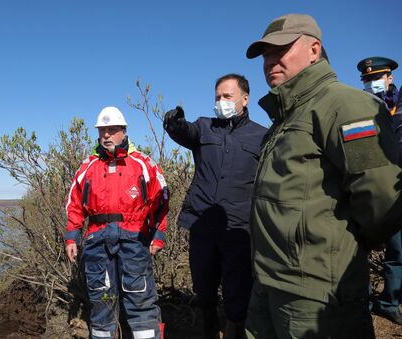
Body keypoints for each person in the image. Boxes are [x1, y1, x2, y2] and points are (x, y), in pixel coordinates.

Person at [244, 13, 402, 338]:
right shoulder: (286, 117)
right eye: (266, 54)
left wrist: (339, 247)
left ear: (314, 50)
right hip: (271, 283)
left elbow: (382, 200)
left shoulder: (344, 106)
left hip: (316, 296)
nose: (270, 61)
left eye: (281, 50)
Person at [163, 74, 267, 339]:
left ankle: (234, 330)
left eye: (227, 96)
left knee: (238, 291)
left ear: (245, 98)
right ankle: (209, 331)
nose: (221, 101)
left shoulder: (261, 136)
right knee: (204, 290)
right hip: (203, 225)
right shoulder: (204, 126)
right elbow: (186, 131)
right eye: (218, 97)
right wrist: (174, 123)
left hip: (239, 228)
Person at [64, 106, 169, 339]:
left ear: (124, 131)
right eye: (103, 131)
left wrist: (158, 236)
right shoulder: (88, 166)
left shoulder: (143, 163)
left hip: (134, 238)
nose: (107, 135)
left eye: (112, 130)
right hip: (96, 240)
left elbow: (161, 200)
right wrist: (72, 236)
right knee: (101, 301)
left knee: (139, 298)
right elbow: (74, 203)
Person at [357, 56, 402, 325]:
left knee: (398, 250)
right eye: (367, 80)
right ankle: (360, 301)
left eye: (376, 78)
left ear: (390, 78)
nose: (372, 83)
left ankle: (389, 303)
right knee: (359, 249)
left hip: (398, 190)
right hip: (370, 192)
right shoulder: (360, 108)